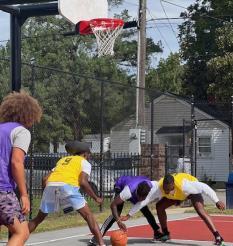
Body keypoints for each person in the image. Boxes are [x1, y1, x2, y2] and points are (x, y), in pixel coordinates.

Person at [28, 140, 106, 246]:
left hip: (51, 186)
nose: (89, 157)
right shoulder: (84, 162)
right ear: (84, 154)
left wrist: (46, 194)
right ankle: (102, 244)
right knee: (89, 216)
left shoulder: (63, 160)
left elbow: (44, 179)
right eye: (89, 155)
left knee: (38, 218)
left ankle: (18, 239)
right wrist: (96, 198)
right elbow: (83, 182)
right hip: (67, 187)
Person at [121, 173, 225, 246]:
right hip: (178, 195)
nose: (167, 192)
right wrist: (129, 215)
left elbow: (204, 187)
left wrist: (216, 201)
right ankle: (166, 234)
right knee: (159, 206)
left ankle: (217, 236)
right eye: (165, 190)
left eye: (169, 189)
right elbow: (144, 201)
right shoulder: (159, 188)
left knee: (200, 210)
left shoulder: (186, 186)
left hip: (190, 193)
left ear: (173, 185)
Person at [0, 91, 42, 246]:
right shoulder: (21, 131)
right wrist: (24, 195)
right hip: (2, 189)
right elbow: (16, 162)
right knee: (21, 232)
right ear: (30, 113)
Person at [89, 176, 165, 246]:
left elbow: (141, 204)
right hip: (121, 186)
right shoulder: (128, 191)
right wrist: (118, 221)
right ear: (137, 192)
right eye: (139, 197)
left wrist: (128, 216)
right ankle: (96, 238)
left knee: (146, 211)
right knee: (115, 214)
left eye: (143, 198)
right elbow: (113, 205)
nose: (140, 200)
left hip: (135, 186)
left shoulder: (151, 187)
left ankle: (157, 233)